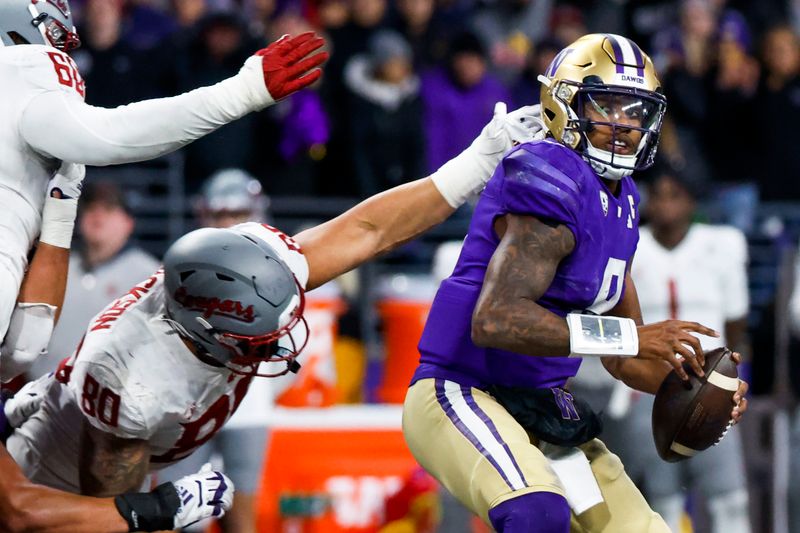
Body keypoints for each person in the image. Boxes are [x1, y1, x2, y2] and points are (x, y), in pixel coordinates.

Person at [5, 101, 545, 499]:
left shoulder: (250, 262)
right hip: (55, 481)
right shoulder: (132, 378)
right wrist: (166, 511)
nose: (279, 342)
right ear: (208, 335)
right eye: (257, 338)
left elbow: (368, 231)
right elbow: (109, 511)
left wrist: (476, 162)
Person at [402, 33, 749, 533]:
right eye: (607, 105)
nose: (624, 124)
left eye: (635, 111)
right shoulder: (550, 173)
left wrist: (706, 389)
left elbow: (626, 358)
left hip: (541, 405)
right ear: (563, 104)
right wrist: (632, 338)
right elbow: (496, 319)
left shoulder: (626, 202)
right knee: (536, 511)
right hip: (463, 388)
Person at [0, 0, 327, 383]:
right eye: (57, 39)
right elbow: (111, 134)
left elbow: (20, 350)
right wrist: (241, 93)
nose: (61, 52)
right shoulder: (19, 71)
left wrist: (60, 209)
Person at [0, 172, 235, 533]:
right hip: (64, 427)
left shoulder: (150, 276)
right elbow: (20, 511)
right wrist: (163, 507)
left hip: (114, 419)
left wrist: (6, 411)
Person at [572, 168, 752, 533]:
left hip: (704, 386)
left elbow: (736, 329)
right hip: (639, 394)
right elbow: (599, 341)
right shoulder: (622, 250)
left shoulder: (722, 245)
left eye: (676, 194)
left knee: (731, 501)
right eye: (660, 195)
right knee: (659, 505)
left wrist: (726, 380)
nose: (667, 204)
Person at [34, 180, 160, 378]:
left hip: (110, 398)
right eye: (91, 208)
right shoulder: (56, 266)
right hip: (42, 393)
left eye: (109, 209)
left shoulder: (150, 275)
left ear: (128, 222)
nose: (98, 215)